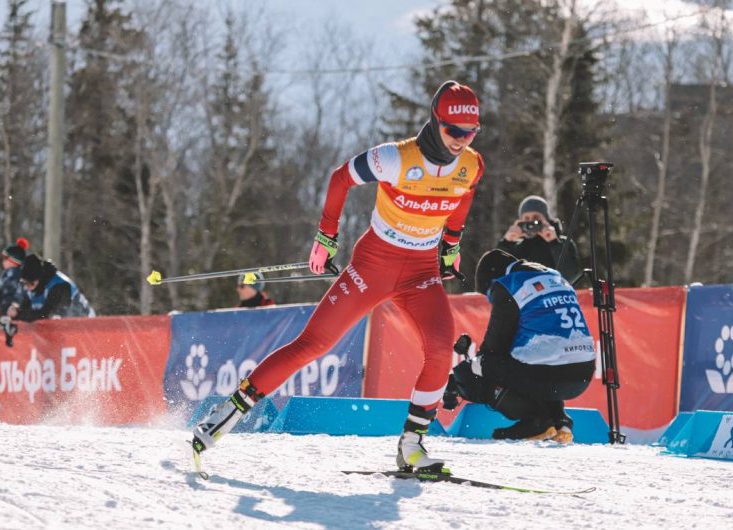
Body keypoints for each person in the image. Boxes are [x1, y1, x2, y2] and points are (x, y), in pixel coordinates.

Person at [193, 80, 485, 472]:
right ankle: (227, 413)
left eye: (471, 133)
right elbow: (340, 177)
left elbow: (463, 195)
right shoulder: (396, 158)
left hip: (420, 271)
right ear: (436, 122)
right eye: (454, 130)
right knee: (313, 344)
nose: (461, 141)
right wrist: (326, 237)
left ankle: (412, 445)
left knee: (439, 349)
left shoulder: (472, 164)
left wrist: (451, 242)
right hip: (375, 265)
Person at [442, 249, 595, 443]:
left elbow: (495, 346)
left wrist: (465, 373)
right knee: (537, 362)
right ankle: (559, 421)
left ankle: (536, 421)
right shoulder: (556, 277)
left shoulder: (509, 285)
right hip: (582, 375)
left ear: (493, 279)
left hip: (548, 374)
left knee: (476, 370)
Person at [497, 195, 582, 284]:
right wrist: (506, 243)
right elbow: (497, 276)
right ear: (520, 222)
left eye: (536, 218)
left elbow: (571, 277)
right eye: (526, 218)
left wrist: (554, 243)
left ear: (546, 219)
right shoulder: (516, 248)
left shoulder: (563, 243)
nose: (531, 223)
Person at [7, 254, 96, 321]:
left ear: (39, 278)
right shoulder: (33, 288)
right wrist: (15, 312)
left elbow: (46, 316)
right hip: (64, 329)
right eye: (24, 283)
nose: (27, 287)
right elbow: (26, 311)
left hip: (85, 326)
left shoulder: (59, 286)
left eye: (30, 283)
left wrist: (18, 314)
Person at [0, 237, 29, 316]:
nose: (2, 261)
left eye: (5, 258)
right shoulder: (7, 273)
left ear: (13, 260)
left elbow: (11, 293)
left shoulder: (14, 274)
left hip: (9, 311)